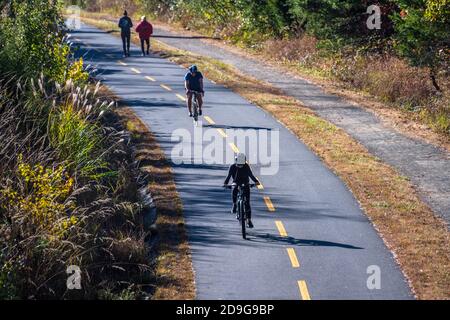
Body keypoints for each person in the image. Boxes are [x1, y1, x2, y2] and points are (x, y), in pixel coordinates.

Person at [223, 153, 260, 228]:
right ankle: (234, 204)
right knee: (234, 189)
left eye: (241, 164)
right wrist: (225, 183)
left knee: (247, 203)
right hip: (236, 182)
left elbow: (251, 175)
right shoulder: (232, 167)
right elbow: (228, 176)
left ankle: (249, 221)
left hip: (245, 183)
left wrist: (256, 182)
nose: (240, 166)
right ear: (236, 161)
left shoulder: (246, 166)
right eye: (238, 164)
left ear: (244, 162)